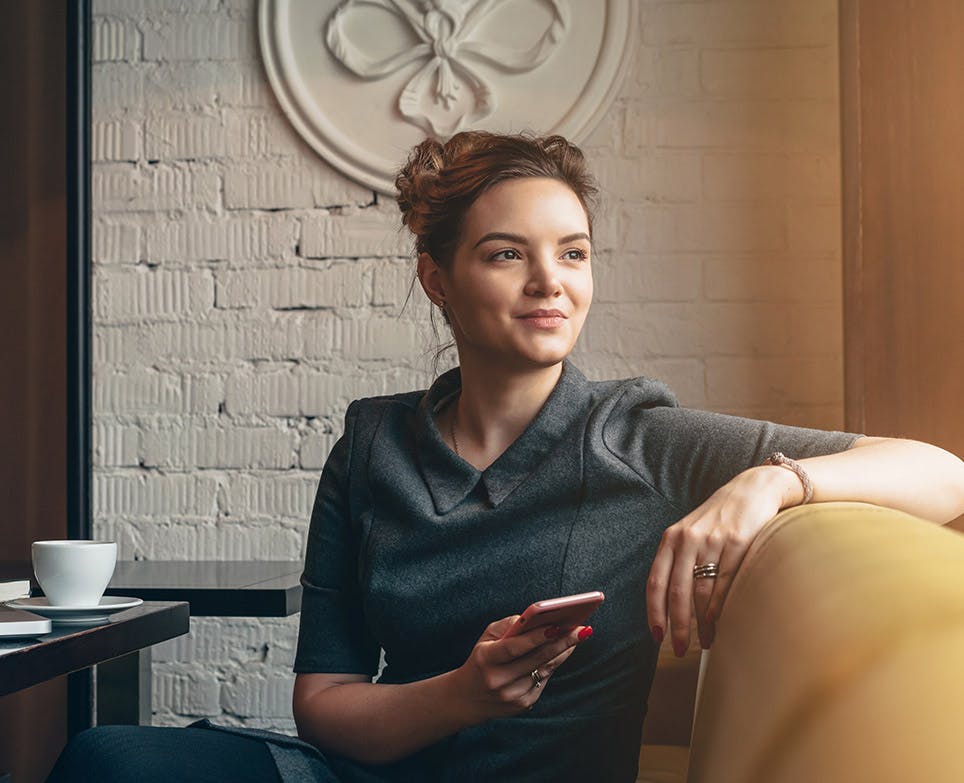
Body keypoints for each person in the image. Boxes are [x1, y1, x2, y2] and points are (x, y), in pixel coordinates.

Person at [47, 131, 964, 782]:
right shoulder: (371, 445)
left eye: (574, 253)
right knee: (107, 755)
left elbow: (944, 471)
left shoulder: (639, 437)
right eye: (506, 254)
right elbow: (323, 698)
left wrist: (772, 479)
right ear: (437, 278)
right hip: (363, 770)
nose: (549, 282)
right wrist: (457, 695)